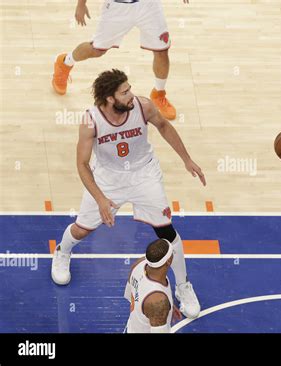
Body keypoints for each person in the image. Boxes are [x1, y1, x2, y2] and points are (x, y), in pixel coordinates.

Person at [51, 69, 205, 319]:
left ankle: (183, 286)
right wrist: (101, 199)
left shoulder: (143, 107)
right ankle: (62, 251)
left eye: (130, 88)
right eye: (125, 92)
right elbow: (81, 164)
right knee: (82, 229)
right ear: (110, 99)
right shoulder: (91, 120)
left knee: (166, 231)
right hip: (107, 178)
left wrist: (187, 160)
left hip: (144, 173)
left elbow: (164, 127)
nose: (131, 94)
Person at [52, 0, 185, 120]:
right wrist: (81, 4)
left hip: (148, 6)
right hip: (117, 7)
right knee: (96, 50)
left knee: (161, 50)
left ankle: (158, 94)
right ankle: (64, 63)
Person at [124, 238, 183, 333]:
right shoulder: (158, 301)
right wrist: (161, 308)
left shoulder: (139, 264)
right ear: (168, 261)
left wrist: (169, 306)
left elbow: (130, 295)